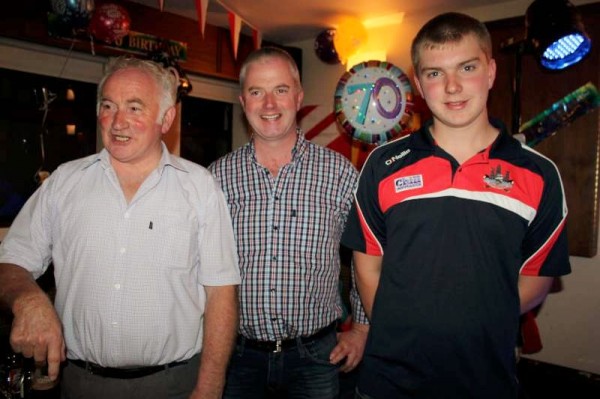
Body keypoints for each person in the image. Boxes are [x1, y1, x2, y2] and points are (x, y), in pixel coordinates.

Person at [341, 12, 571, 399]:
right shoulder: (381, 164)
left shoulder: (538, 173)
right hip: (389, 382)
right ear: (418, 83)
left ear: (491, 71)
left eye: (467, 67)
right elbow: (367, 266)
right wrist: (402, 326)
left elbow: (536, 277)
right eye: (434, 73)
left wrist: (476, 320)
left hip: (486, 380)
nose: (452, 86)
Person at [0, 57, 240, 399]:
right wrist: (27, 299)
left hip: (174, 385)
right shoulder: (65, 181)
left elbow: (221, 293)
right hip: (80, 384)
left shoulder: (200, 188)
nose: (117, 122)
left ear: (166, 118)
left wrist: (212, 385)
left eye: (135, 107)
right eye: (108, 105)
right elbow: (10, 263)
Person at [208, 46, 369, 398]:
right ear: (242, 101)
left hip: (315, 357)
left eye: (280, 90)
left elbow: (365, 255)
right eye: (256, 92)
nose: (269, 104)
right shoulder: (215, 178)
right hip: (235, 356)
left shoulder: (339, 173)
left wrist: (360, 327)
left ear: (298, 97)